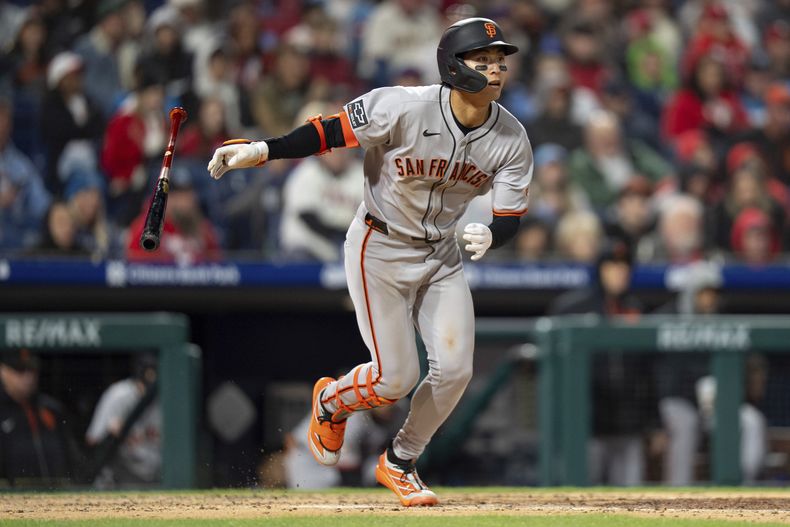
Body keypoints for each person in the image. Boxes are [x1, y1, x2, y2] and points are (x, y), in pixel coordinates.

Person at [207, 18, 532, 506]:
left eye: (499, 61)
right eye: (482, 60)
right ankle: (330, 402)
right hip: (378, 246)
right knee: (394, 379)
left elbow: (510, 215)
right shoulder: (403, 105)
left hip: (440, 254)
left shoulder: (511, 137)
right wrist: (263, 149)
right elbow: (329, 132)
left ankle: (400, 461)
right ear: (452, 66)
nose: (495, 69)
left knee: (456, 371)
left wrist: (493, 232)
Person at [548, 242, 658, 486]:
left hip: (628, 423)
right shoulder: (572, 308)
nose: (619, 273)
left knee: (631, 501)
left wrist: (653, 422)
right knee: (581, 496)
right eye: (612, 266)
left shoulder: (636, 309)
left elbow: (648, 371)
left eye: (624, 267)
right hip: (585, 424)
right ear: (600, 269)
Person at [0, 349, 79, 488]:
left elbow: (71, 455)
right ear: (3, 371)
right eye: (20, 370)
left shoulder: (50, 408)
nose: (27, 377)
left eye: (31, 370)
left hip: (54, 494)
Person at [85, 354, 161, 489]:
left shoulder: (163, 397)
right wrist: (111, 435)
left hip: (153, 479)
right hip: (119, 479)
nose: (148, 388)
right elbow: (93, 439)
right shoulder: (119, 395)